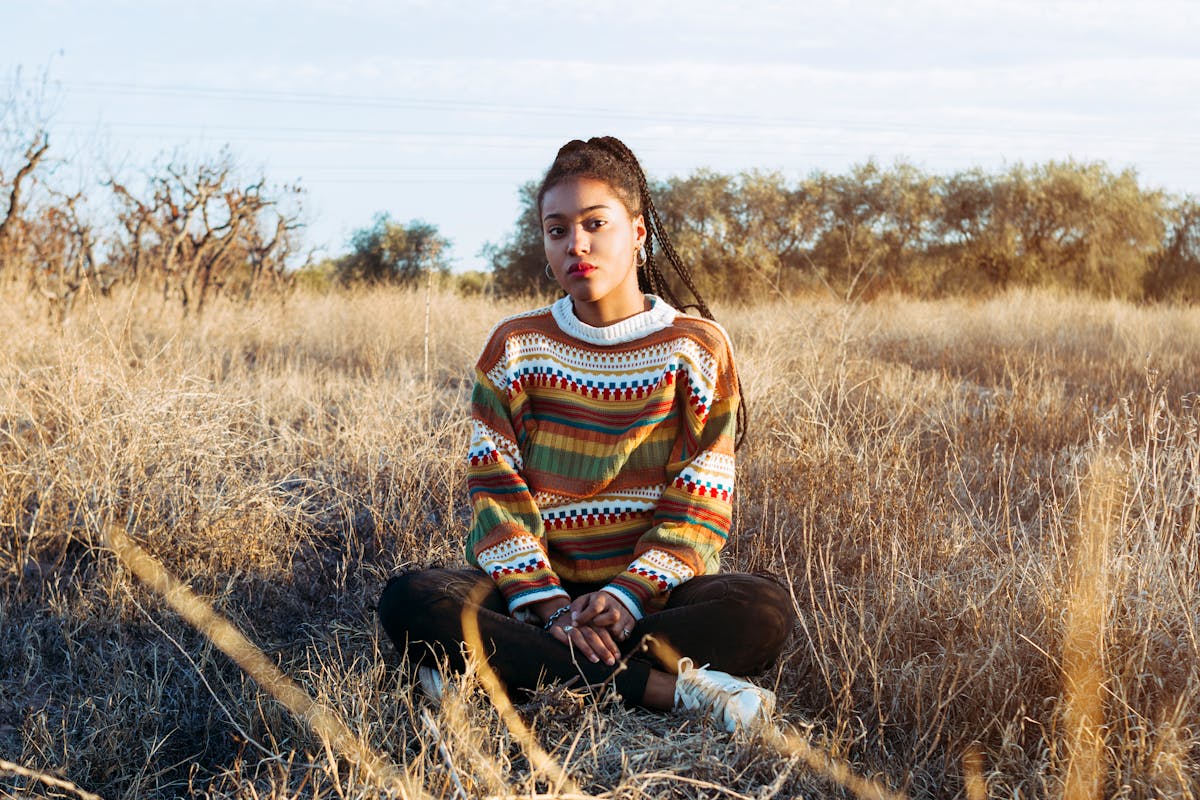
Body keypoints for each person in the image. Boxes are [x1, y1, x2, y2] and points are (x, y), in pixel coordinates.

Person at [378, 136, 795, 732]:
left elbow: (701, 501)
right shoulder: (516, 346)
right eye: (556, 229)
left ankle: (503, 667)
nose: (576, 244)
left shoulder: (696, 345)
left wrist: (624, 599)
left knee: (762, 612)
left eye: (595, 224)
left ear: (639, 232)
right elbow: (497, 495)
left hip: (650, 597)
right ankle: (668, 691)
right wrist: (551, 608)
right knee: (412, 599)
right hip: (533, 594)